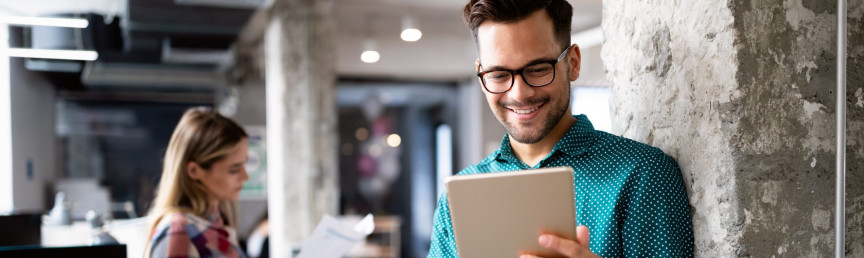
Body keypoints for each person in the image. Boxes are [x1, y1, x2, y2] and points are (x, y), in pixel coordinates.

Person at [428, 0, 694, 257]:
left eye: (538, 69)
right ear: (481, 73)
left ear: (573, 63)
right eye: (498, 75)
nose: (519, 93)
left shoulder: (643, 173)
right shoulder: (459, 198)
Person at [144, 107, 250, 258]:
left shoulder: (215, 222)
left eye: (244, 164)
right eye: (234, 169)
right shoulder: (179, 233)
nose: (245, 177)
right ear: (194, 170)